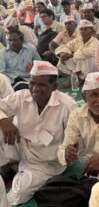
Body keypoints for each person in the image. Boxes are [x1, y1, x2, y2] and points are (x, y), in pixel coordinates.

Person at [0, 61, 77, 205]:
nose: (35, 89)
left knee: (19, 194)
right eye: (32, 83)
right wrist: (4, 121)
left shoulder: (67, 105)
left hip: (45, 163)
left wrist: (69, 150)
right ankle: (8, 165)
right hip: (22, 148)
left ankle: (14, 170)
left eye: (42, 85)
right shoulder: (22, 96)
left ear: (55, 86)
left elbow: (75, 136)